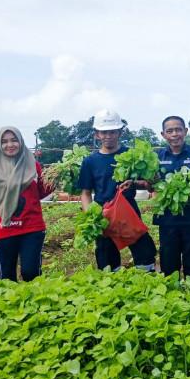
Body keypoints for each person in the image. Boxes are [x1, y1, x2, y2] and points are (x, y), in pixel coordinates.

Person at [76, 109, 157, 272]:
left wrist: (135, 183)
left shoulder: (131, 155)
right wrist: (92, 217)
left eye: (112, 132)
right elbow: (85, 193)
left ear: (120, 132)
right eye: (103, 132)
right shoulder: (90, 161)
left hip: (129, 212)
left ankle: (147, 283)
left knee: (144, 253)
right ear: (96, 134)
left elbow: (147, 184)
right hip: (103, 213)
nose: (108, 136)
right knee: (107, 260)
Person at [0, 127, 52, 281]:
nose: (10, 145)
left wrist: (55, 180)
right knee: (6, 277)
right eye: (4, 142)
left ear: (20, 141)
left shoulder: (33, 166)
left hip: (32, 228)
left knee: (31, 272)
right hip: (4, 228)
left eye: (14, 140)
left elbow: (40, 193)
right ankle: (9, 305)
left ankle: (34, 304)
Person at [152, 116, 190, 277]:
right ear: (163, 134)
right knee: (169, 259)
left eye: (178, 129)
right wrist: (150, 182)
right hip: (167, 218)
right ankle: (172, 293)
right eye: (170, 131)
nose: (174, 134)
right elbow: (149, 183)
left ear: (185, 131)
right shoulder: (157, 157)